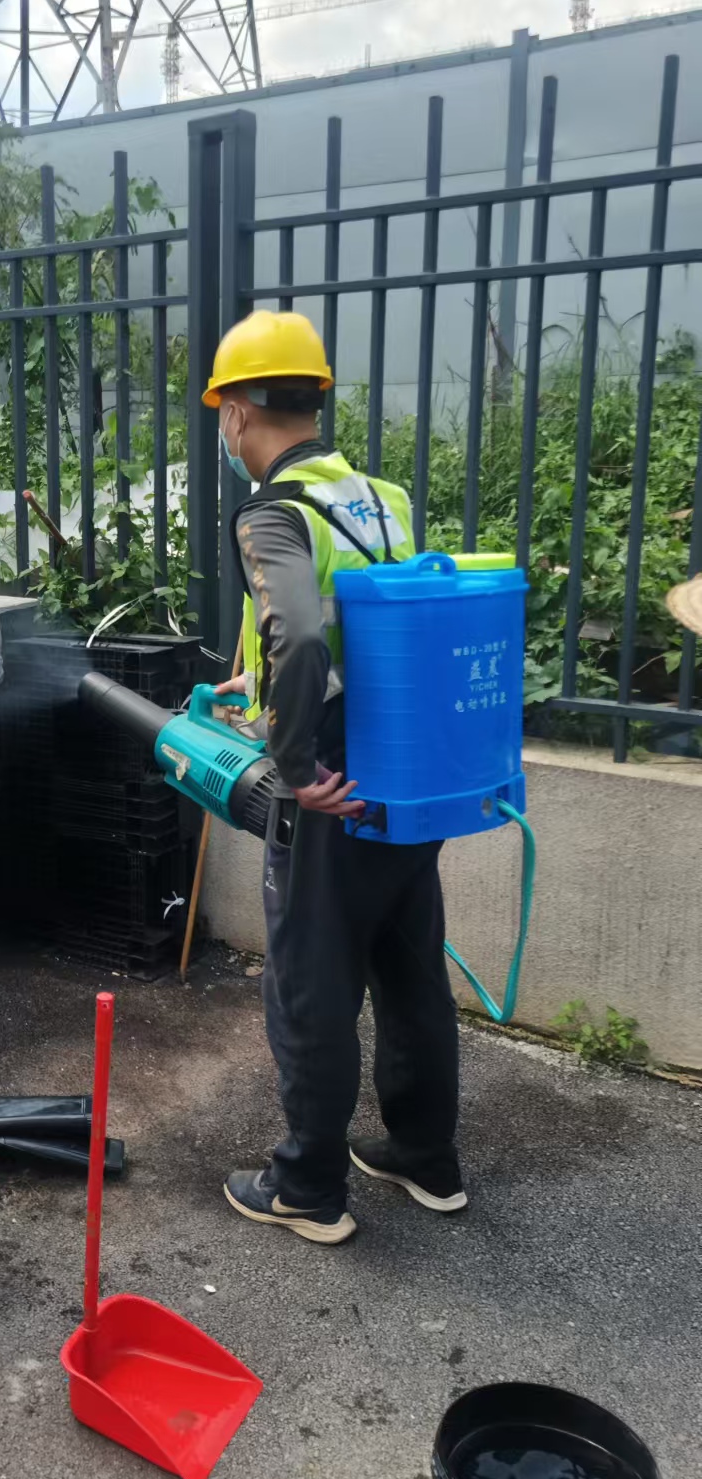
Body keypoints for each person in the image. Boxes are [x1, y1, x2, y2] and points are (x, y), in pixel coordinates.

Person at [206, 309, 464, 1246]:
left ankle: (306, 1187)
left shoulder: (273, 509)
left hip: (334, 777)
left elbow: (304, 636)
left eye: (222, 413)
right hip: (407, 765)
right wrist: (257, 681)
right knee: (408, 967)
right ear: (314, 399)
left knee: (309, 982)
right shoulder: (380, 498)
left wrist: (293, 764)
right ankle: (425, 1156)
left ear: (237, 411)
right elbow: (365, 629)